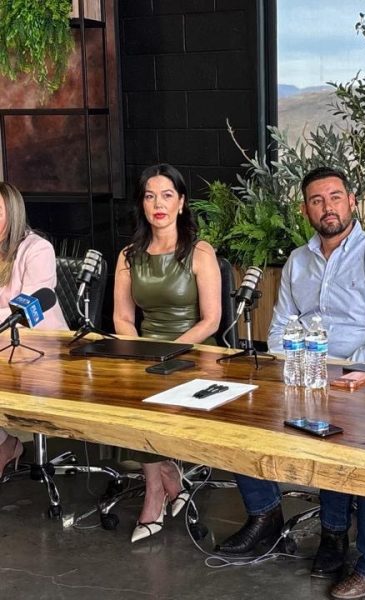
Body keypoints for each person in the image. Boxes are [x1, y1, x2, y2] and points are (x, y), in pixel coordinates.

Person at [217, 166, 365, 599]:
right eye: (317, 200)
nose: (328, 207)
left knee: (358, 440)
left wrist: (334, 377)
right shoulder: (297, 261)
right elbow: (279, 329)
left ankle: (343, 538)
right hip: (303, 373)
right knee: (237, 413)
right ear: (305, 210)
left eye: (335, 197)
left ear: (352, 202)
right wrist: (298, 370)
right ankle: (265, 514)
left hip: (364, 382)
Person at [113, 163, 221, 543]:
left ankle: (155, 492)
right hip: (145, 352)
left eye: (167, 195)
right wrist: (140, 353)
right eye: (150, 196)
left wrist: (169, 353)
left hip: (192, 351)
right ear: (142, 204)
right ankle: (164, 480)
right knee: (124, 400)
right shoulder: (129, 255)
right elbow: (122, 318)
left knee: (149, 404)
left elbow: (211, 320)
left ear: (181, 203)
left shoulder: (200, 252)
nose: (158, 204)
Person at [0, 182, 68, 478]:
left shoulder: (38, 249)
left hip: (41, 349)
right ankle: (5, 443)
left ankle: (5, 445)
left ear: (13, 213)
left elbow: (25, 312)